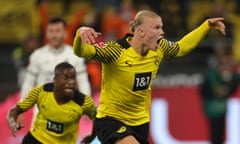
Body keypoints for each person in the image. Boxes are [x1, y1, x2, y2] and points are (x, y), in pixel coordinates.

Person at [73, 10, 226, 144]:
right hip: (111, 120)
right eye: (156, 28)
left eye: (162, 28)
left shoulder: (159, 48)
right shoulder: (116, 51)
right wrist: (80, 35)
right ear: (141, 32)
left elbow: (181, 48)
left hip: (140, 122)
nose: (162, 32)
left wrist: (206, 26)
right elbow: (82, 52)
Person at [19, 17, 91, 125]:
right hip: (41, 114)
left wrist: (87, 107)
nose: (54, 35)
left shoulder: (75, 56)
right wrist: (21, 109)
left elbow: (83, 82)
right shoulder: (37, 55)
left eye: (58, 31)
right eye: (51, 31)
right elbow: (28, 83)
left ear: (65, 33)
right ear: (46, 34)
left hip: (67, 113)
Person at [7, 62, 96, 144]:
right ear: (55, 79)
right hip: (36, 140)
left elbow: (100, 119)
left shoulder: (84, 102)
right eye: (65, 78)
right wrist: (12, 122)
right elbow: (16, 110)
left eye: (73, 78)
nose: (70, 82)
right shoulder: (41, 92)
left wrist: (92, 137)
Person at [200, 44, 239, 144]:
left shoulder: (231, 74)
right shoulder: (212, 74)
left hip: (220, 108)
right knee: (216, 134)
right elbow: (218, 91)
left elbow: (230, 88)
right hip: (213, 108)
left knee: (219, 134)